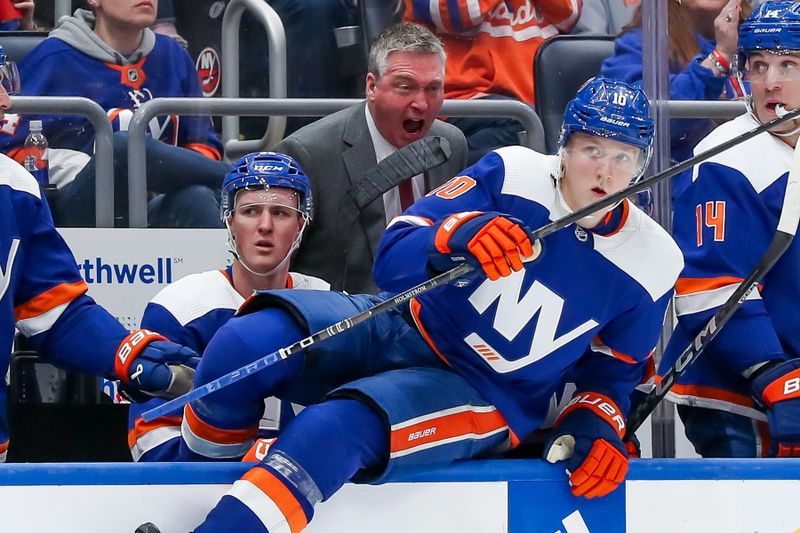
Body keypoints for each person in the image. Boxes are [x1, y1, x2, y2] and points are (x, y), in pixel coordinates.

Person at [170, 77, 682, 532]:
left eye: (623, 156)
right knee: (248, 341)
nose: (606, 171)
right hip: (405, 320)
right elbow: (394, 255)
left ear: (642, 165)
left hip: (485, 392)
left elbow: (615, 370)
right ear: (565, 146)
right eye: (592, 148)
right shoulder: (512, 173)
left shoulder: (654, 261)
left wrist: (595, 423)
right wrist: (458, 234)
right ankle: (175, 486)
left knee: (335, 427)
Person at [0, 43, 198, 462]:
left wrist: (126, 353)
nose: (5, 100)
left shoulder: (14, 187)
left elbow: (56, 313)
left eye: (4, 80)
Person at [660, 0, 800, 458]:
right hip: (740, 390)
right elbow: (711, 286)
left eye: (789, 64)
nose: (771, 81)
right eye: (758, 65)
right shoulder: (727, 158)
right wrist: (773, 373)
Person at [128, 152, 330, 462]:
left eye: (280, 213)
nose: (265, 226)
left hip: (307, 493)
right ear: (230, 220)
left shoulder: (327, 303)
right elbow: (150, 440)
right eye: (250, 211)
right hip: (200, 494)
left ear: (301, 223)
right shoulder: (179, 308)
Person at [274, 22, 467, 294]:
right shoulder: (308, 154)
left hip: (431, 316)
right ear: (372, 86)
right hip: (346, 321)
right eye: (405, 87)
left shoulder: (452, 144)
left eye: (433, 88)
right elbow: (276, 271)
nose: (421, 103)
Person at [0, 0, 226, 228]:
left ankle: (226, 263)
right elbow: (8, 148)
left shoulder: (174, 56)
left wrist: (166, 175)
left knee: (198, 197)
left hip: (154, 204)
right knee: (122, 148)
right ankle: (240, 174)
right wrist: (81, 166)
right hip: (78, 209)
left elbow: (204, 143)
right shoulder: (52, 57)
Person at [404, 0, 581, 164]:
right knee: (518, 129)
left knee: (580, 131)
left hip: (533, 101)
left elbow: (569, 13)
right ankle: (432, 169)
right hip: (462, 100)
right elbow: (453, 12)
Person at [601, 0, 752, 163]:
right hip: (680, 178)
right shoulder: (641, 43)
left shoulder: (764, 34)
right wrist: (719, 59)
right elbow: (643, 123)